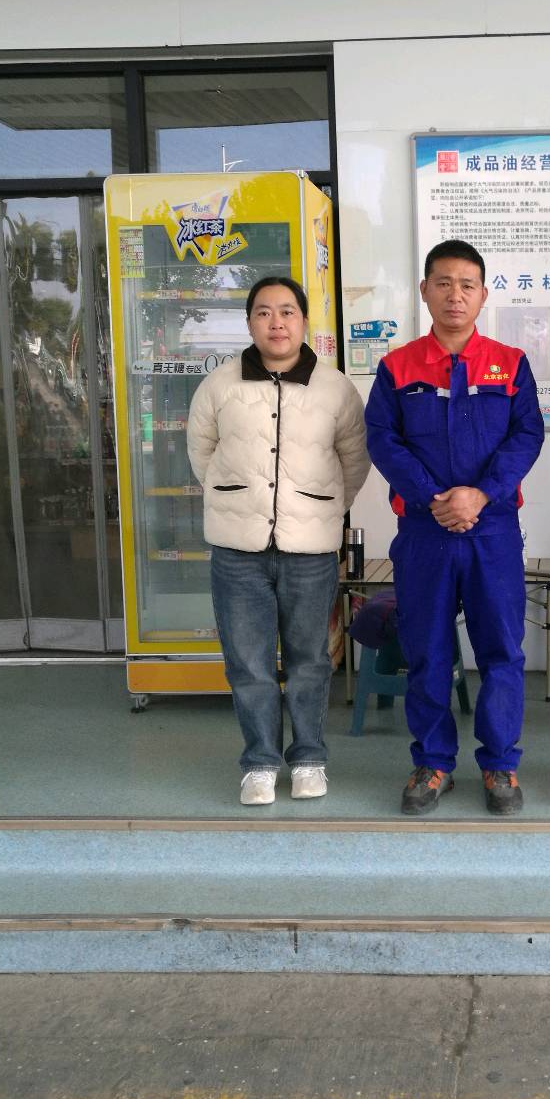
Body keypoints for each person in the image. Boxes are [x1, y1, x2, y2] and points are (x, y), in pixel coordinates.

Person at [364, 239, 545, 816]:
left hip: (493, 531)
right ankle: (433, 761)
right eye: (443, 283)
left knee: (501, 651)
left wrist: (481, 494)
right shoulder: (398, 367)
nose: (455, 295)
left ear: (484, 294)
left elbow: (527, 435)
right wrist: (433, 497)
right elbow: (382, 440)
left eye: (467, 285)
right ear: (424, 290)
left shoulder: (510, 363)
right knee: (428, 651)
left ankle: (500, 764)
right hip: (425, 532)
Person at [187, 276, 369, 806]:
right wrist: (236, 497)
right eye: (264, 312)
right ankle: (260, 764)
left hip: (310, 551)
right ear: (249, 323)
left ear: (304, 322)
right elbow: (202, 453)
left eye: (287, 312)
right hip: (236, 551)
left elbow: (354, 462)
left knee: (310, 659)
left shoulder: (335, 388)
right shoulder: (219, 385)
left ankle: (309, 759)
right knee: (248, 662)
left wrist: (318, 508)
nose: (277, 322)